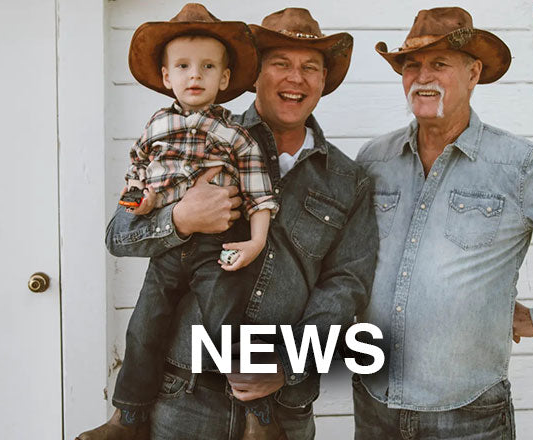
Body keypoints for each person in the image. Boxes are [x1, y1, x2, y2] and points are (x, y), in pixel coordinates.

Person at [91, 6, 377, 440]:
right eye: (280, 63)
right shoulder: (191, 140)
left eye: (310, 67)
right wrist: (180, 220)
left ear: (323, 81)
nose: (295, 78)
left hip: (283, 406)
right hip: (184, 395)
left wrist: (287, 365)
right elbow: (119, 235)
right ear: (253, 74)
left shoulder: (347, 179)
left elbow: (346, 284)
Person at [354, 6, 533, 439]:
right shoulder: (375, 160)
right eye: (411, 65)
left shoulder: (515, 165)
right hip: (375, 403)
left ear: (473, 74)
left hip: (468, 415)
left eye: (439, 64)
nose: (422, 76)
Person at [76, 4, 285, 440]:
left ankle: (259, 417)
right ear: (167, 77)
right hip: (168, 248)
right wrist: (145, 203)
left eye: (208, 67)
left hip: (217, 248)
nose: (195, 75)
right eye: (184, 66)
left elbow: (259, 195)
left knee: (226, 325)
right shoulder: (155, 127)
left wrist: (254, 243)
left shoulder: (236, 136)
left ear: (224, 79)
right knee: (144, 325)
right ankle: (128, 417)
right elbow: (135, 178)